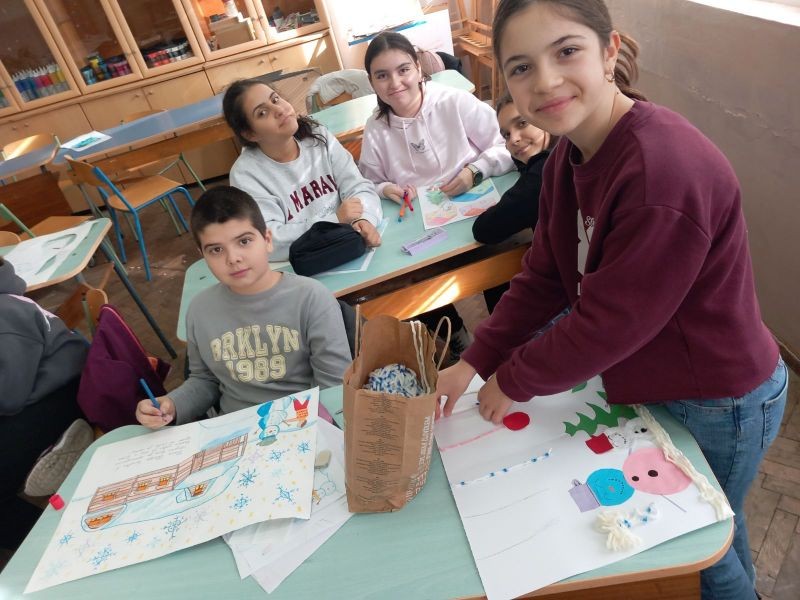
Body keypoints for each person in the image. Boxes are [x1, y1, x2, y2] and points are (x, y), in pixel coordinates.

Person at [436, 2, 787, 599]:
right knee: (716, 525)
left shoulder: (659, 170)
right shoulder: (567, 157)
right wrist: (474, 360)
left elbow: (608, 324)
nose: (546, 80)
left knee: (699, 548)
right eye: (521, 67)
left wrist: (513, 378)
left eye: (566, 51)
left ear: (609, 50)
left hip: (718, 396)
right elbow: (545, 275)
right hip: (665, 379)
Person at [135, 186, 352, 428]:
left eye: (244, 241)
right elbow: (205, 380)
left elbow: (334, 388)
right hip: (234, 431)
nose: (233, 258)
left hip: (304, 422)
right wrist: (172, 404)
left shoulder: (312, 298)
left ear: (267, 240)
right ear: (202, 255)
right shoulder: (199, 310)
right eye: (216, 250)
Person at [358, 31, 514, 356]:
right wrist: (387, 188)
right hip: (423, 226)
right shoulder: (376, 127)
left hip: (475, 208)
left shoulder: (452, 101)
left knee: (498, 257)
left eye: (403, 70)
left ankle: (507, 332)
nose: (395, 83)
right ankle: (455, 338)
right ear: (371, 82)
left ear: (418, 68)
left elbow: (506, 143)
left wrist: (475, 170)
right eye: (382, 75)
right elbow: (368, 182)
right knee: (410, 278)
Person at [223, 79, 383, 261]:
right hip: (304, 264)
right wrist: (334, 220)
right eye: (262, 113)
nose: (279, 109)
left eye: (275, 99)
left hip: (352, 244)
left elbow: (358, 186)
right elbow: (267, 240)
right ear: (250, 134)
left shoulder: (317, 136)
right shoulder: (245, 175)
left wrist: (364, 220)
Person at [0, 256, 93, 551]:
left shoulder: (5, 315)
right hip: (37, 395)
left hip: (65, 396)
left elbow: (8, 395)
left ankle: (63, 548)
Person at [473, 93, 552, 312]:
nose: (514, 139)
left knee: (494, 266)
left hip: (567, 291)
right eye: (506, 135)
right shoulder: (566, 147)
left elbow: (483, 229)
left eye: (522, 123)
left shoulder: (542, 175)